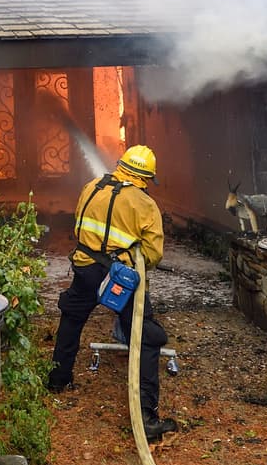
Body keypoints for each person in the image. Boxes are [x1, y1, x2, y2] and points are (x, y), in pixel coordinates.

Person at [47, 144, 177, 441]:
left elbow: (80, 225)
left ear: (121, 165)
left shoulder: (92, 186)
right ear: (145, 177)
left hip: (84, 268)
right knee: (146, 335)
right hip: (119, 278)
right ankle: (147, 418)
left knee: (72, 317)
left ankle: (58, 380)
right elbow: (154, 254)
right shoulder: (144, 204)